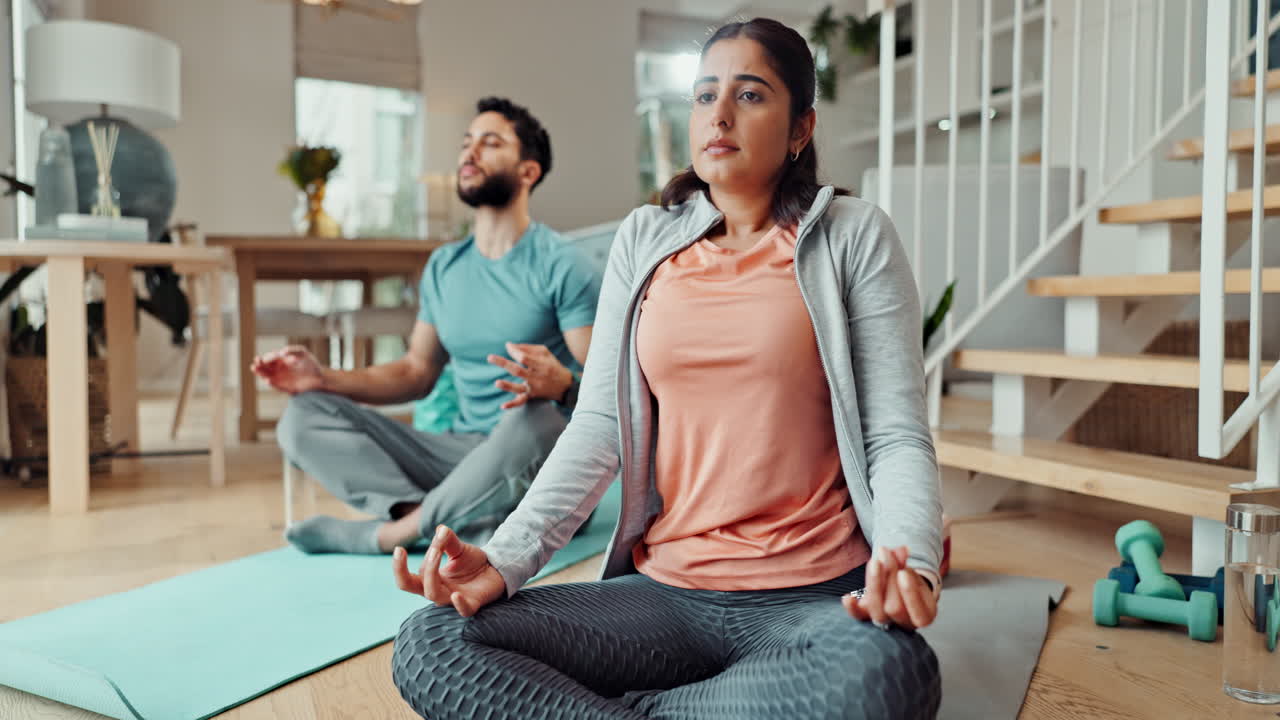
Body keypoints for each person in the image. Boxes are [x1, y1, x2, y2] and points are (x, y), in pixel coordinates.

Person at [391, 19, 943, 719]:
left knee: (890, 677)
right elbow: (597, 427)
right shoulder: (645, 239)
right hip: (661, 600)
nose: (718, 114)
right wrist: (503, 560)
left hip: (809, 602)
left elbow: (895, 434)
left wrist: (910, 562)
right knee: (433, 640)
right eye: (705, 95)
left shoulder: (853, 236)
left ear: (800, 129)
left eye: (749, 96)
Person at [256, 97, 601, 555]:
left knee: (537, 422)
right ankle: (439, 521)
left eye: (490, 143)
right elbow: (416, 371)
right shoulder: (445, 266)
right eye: (466, 143)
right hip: (457, 458)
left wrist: (562, 387)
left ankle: (391, 535)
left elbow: (610, 385)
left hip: (539, 463)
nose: (469, 153)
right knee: (304, 415)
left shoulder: (562, 265)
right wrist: (321, 379)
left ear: (527, 172)